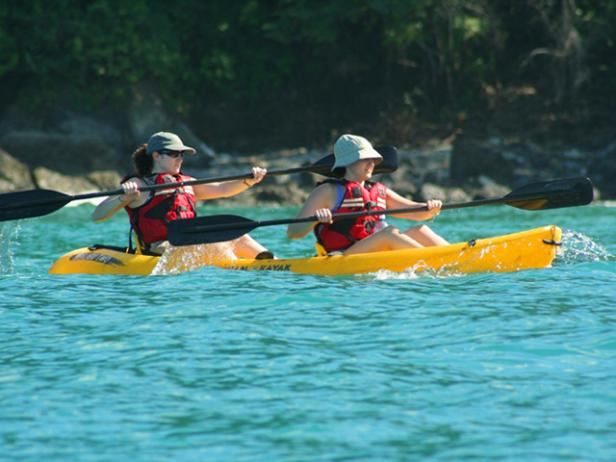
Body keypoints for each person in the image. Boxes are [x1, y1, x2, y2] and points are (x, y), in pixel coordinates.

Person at [93, 131, 273, 259]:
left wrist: (250, 180)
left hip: (190, 241)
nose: (180, 158)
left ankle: (274, 265)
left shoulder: (187, 182)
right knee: (217, 243)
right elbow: (98, 215)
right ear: (156, 155)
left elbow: (222, 189)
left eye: (181, 154)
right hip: (160, 249)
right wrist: (123, 198)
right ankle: (241, 270)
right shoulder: (139, 185)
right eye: (173, 154)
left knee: (240, 237)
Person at [287, 134, 448, 255]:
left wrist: (430, 209)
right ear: (348, 162)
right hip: (343, 256)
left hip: (375, 248)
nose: (372, 163)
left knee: (420, 230)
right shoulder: (327, 191)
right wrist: (315, 220)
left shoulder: (379, 190)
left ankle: (458, 256)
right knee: (389, 233)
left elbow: (415, 212)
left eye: (372, 158)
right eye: (365, 158)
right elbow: (293, 232)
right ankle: (433, 264)